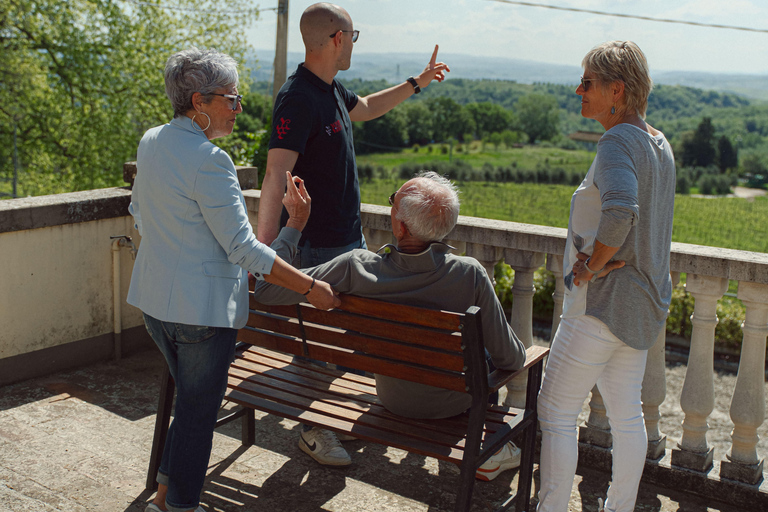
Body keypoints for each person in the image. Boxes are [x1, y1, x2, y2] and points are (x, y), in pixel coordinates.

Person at [128, 47, 339, 512]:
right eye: (231, 99)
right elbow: (242, 249)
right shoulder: (211, 160)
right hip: (199, 314)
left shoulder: (152, 140)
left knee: (190, 408)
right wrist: (310, 286)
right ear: (199, 101)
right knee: (199, 415)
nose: (239, 109)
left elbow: (140, 213)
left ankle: (165, 494)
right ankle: (179, 505)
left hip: (154, 303)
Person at [257, 2, 450, 465]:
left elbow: (366, 108)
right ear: (338, 39)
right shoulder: (298, 96)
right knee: (316, 341)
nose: (355, 44)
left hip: (346, 237)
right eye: (354, 36)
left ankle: (332, 417)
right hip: (314, 241)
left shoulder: (330, 88)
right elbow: (274, 173)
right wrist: (262, 249)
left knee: (344, 336)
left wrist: (416, 83)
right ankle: (314, 430)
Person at [254, 171, 527, 480]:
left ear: (400, 226)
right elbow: (513, 359)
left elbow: (266, 290)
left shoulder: (356, 267)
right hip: (454, 407)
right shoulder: (470, 275)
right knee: (482, 355)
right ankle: (492, 451)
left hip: (393, 400)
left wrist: (295, 225)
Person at [536, 41, 675, 512]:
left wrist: (591, 265)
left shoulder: (617, 140)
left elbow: (621, 212)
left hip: (602, 305)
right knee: (627, 417)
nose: (579, 90)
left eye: (588, 82)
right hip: (641, 308)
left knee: (554, 412)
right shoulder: (659, 142)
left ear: (617, 89)